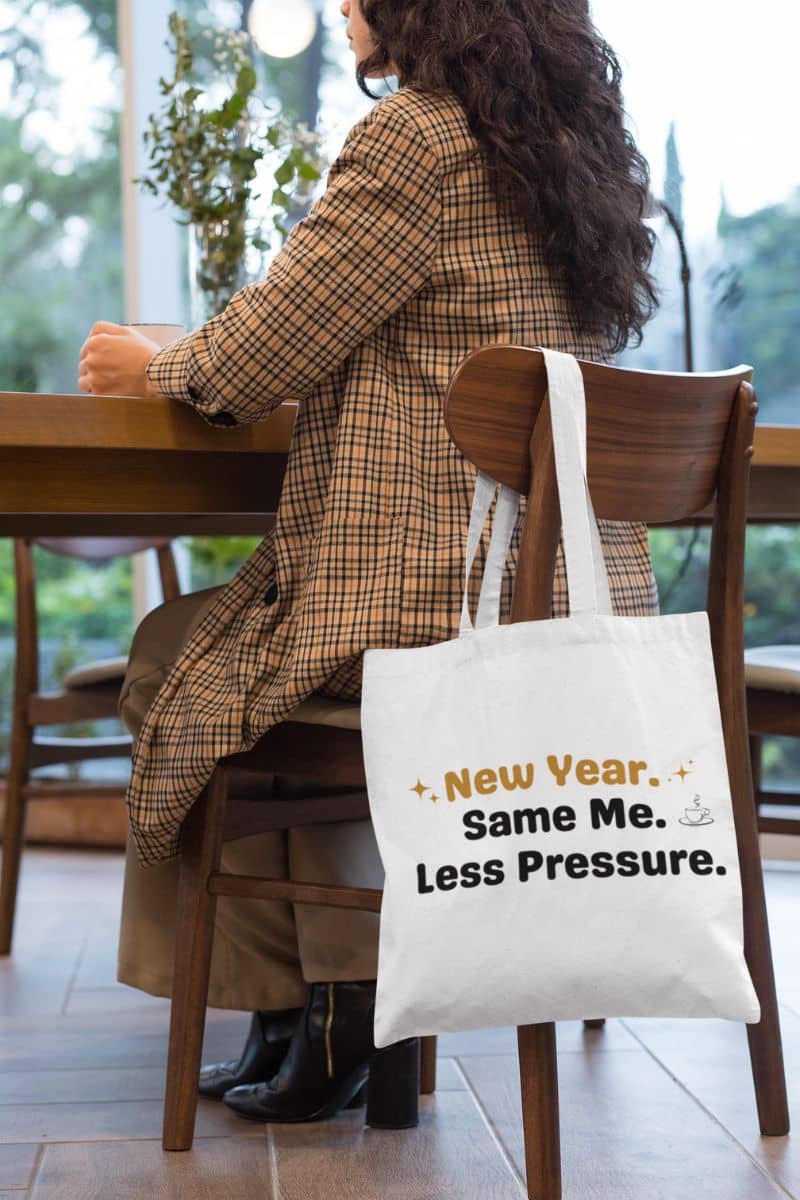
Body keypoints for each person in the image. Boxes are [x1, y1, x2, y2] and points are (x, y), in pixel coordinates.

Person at [78, 0, 660, 1126]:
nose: (341, 5)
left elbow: (258, 356)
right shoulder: (561, 156)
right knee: (260, 653)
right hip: (552, 604)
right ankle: (328, 1015)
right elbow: (405, 340)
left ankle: (308, 1002)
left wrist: (159, 362)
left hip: (429, 595)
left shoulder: (416, 135)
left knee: (179, 653)